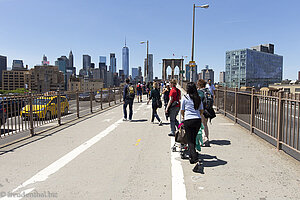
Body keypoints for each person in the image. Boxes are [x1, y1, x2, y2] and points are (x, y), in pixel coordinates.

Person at [181, 82, 204, 164]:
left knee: (190, 140)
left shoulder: (185, 98)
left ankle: (194, 158)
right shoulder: (198, 97)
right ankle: (192, 154)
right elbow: (201, 110)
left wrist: (184, 117)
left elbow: (182, 110)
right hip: (197, 120)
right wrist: (197, 115)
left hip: (188, 120)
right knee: (193, 138)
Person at [198, 79, 211, 146]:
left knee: (201, 125)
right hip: (208, 110)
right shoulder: (208, 91)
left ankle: (204, 139)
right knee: (205, 124)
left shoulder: (199, 92)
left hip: (201, 111)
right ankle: (207, 137)